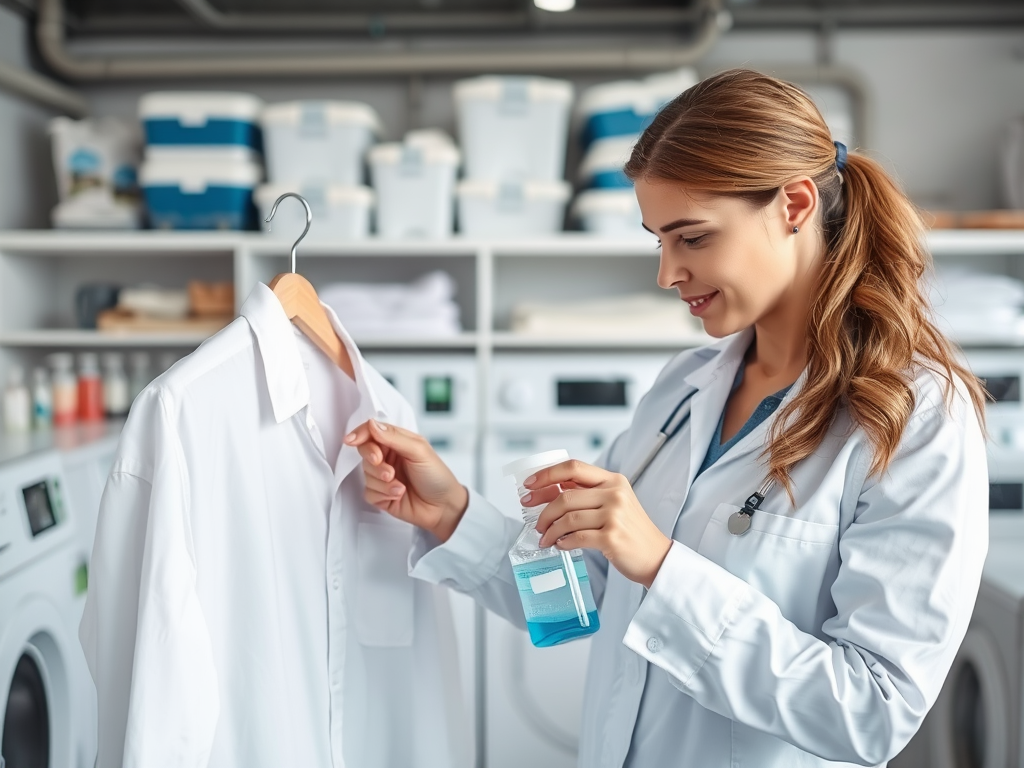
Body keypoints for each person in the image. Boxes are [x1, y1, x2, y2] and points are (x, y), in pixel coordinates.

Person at [345, 68, 989, 767]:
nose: (667, 273)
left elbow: (875, 710)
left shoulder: (914, 419)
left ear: (794, 204)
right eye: (659, 240)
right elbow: (587, 595)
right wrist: (451, 513)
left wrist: (661, 566)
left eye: (692, 238)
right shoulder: (684, 388)